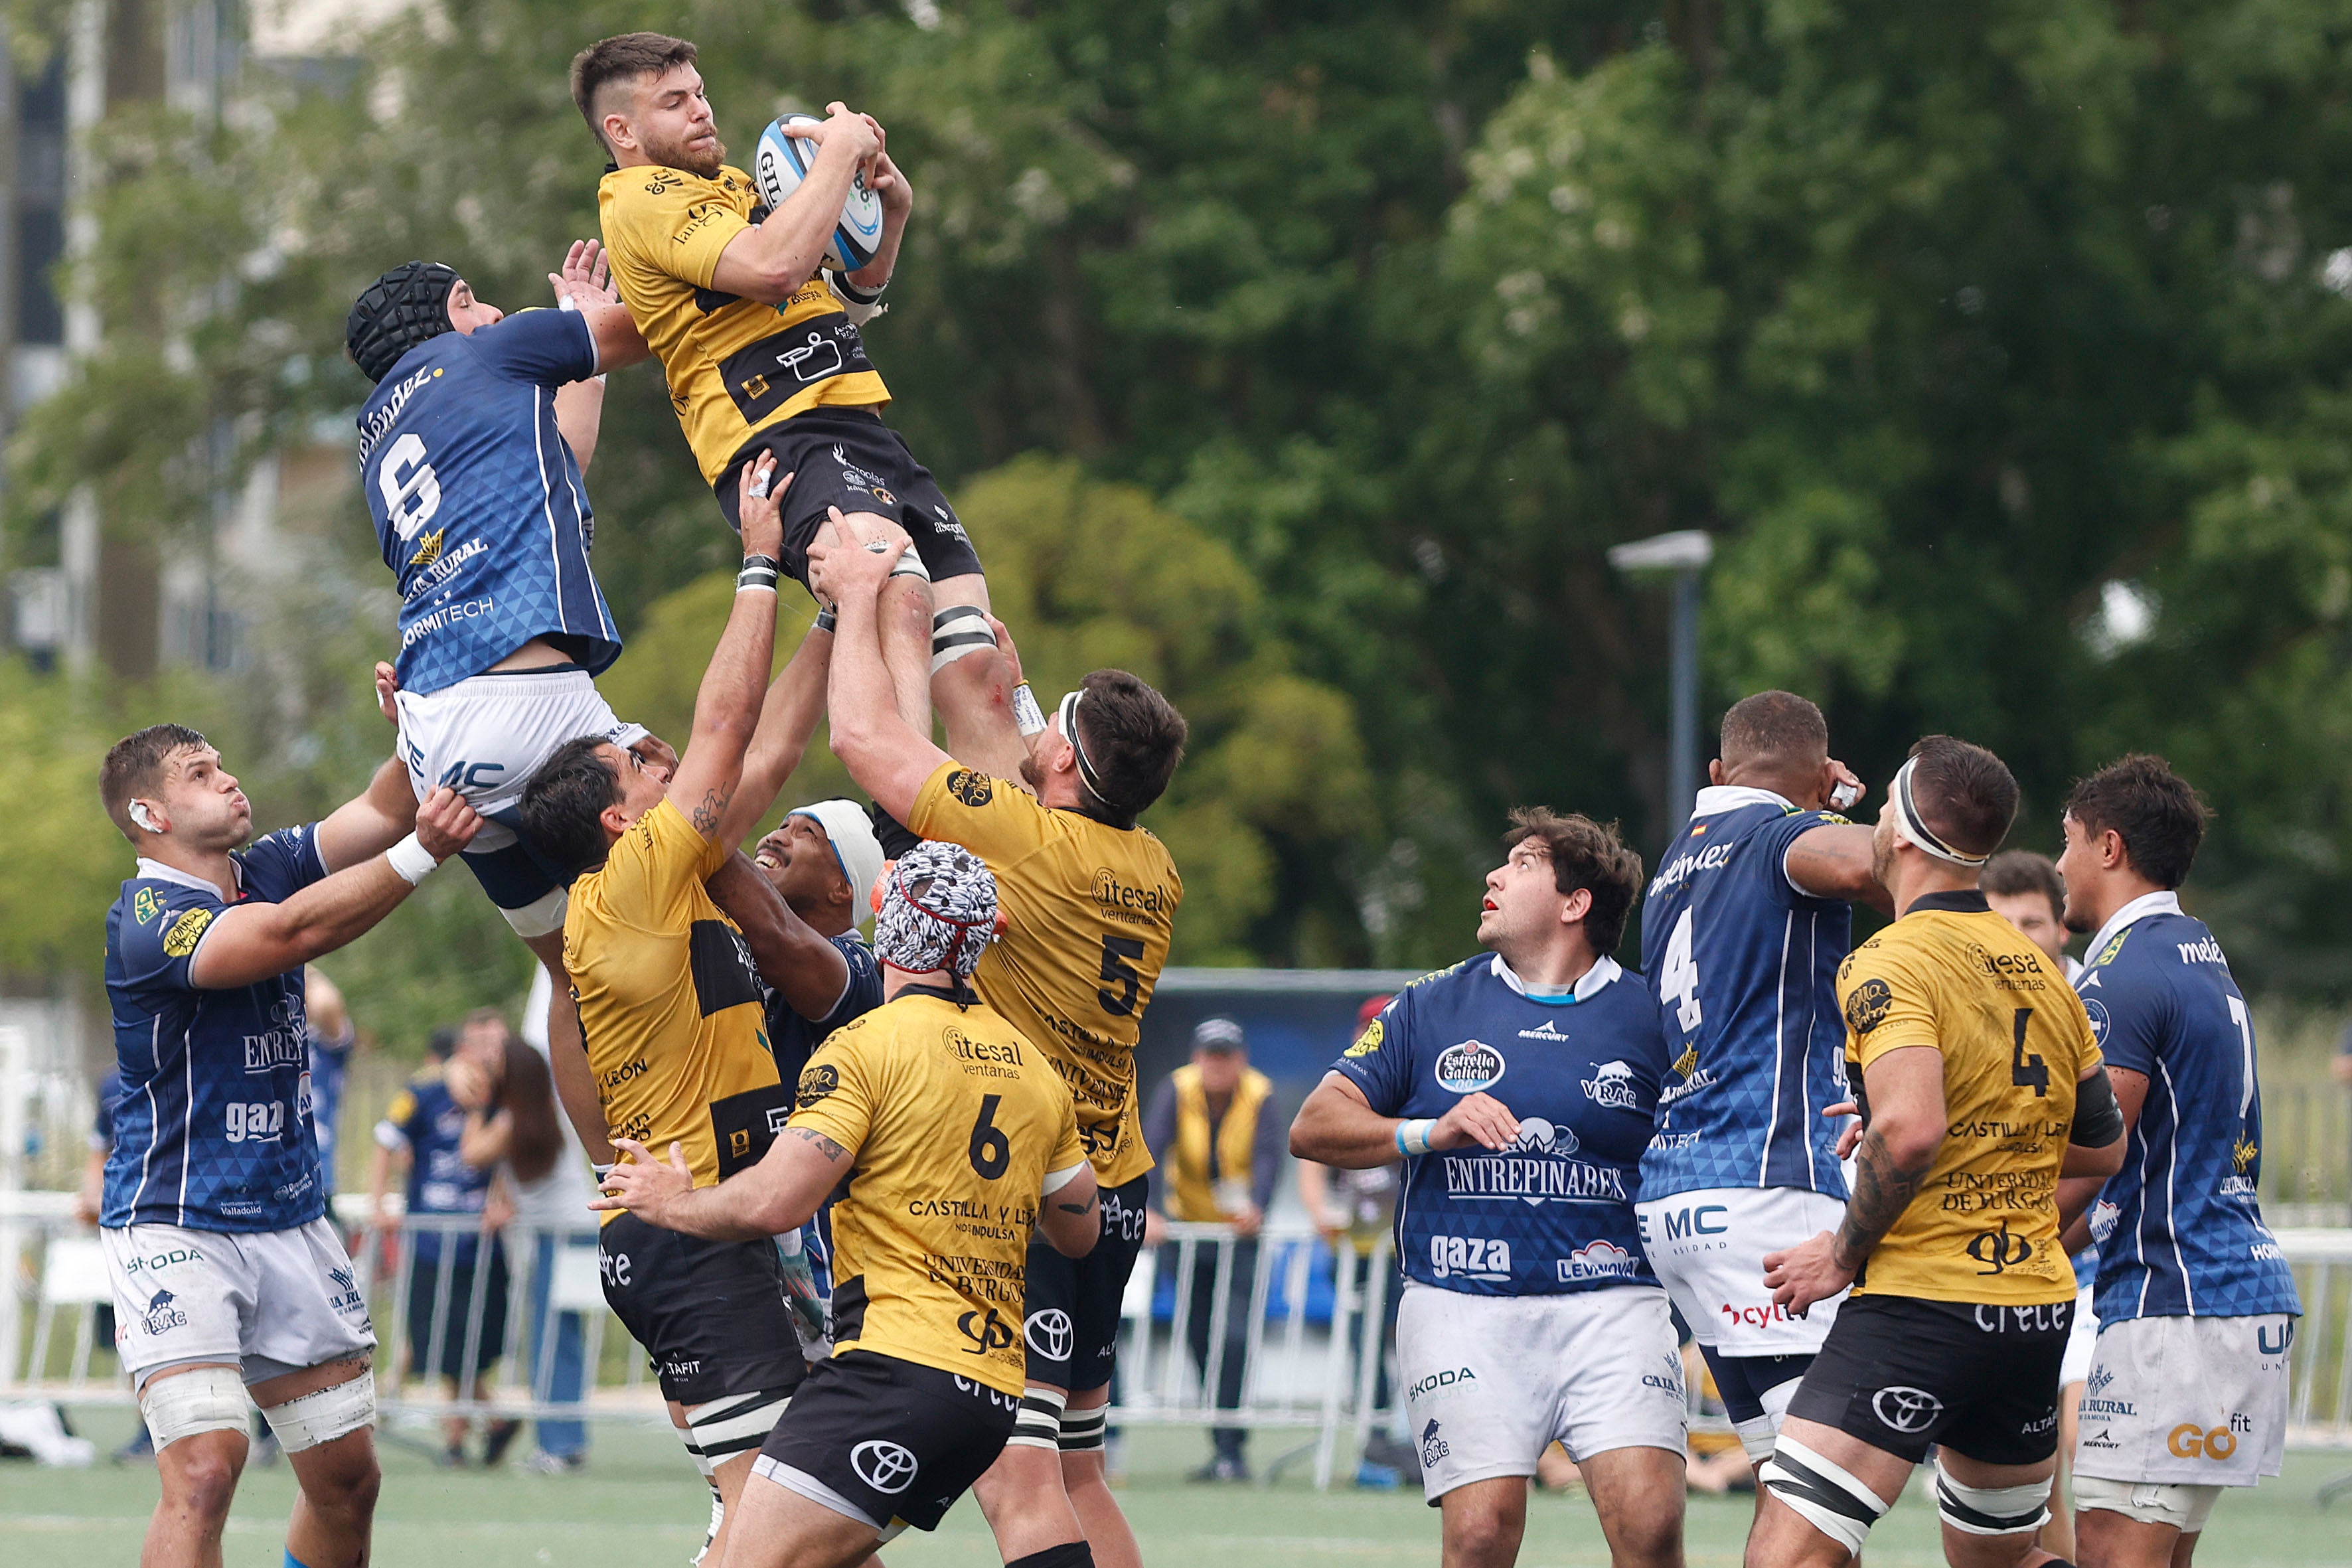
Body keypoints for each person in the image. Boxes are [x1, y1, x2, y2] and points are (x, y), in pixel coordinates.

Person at [810, 506, 1187, 1568]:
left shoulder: (1023, 836)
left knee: (1018, 1482)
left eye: (1048, 727)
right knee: (1075, 1470)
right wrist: (967, 637)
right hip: (1115, 1182)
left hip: (1027, 1176)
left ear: (1060, 760)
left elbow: (865, 742)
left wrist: (853, 602)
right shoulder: (1149, 862)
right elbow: (1010, 726)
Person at [593, 841, 1105, 1568]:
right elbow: (1079, 1229)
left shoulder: (863, 1047)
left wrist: (676, 1200)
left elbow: (776, 1201)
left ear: (885, 922)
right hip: (992, 1390)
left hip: (891, 1373)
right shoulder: (1031, 1066)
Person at [514, 453, 820, 1568]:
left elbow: (767, 747)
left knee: (790, 1523)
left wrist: (829, 614)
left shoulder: (655, 880)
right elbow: (728, 727)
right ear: (613, 821)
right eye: (636, 765)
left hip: (709, 1226)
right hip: (689, 1236)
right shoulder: (637, 879)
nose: (662, 764)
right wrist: (756, 566)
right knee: (777, 1527)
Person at [570, 32, 1024, 772]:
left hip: (862, 423)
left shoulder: (739, 188)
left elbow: (847, 297)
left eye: (701, 93)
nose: (701, 112)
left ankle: (1008, 864)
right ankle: (911, 837)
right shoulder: (638, 201)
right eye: (674, 102)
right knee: (892, 591)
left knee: (978, 659)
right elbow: (777, 267)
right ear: (620, 130)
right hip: (779, 436)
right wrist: (842, 149)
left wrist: (890, 210)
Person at [95, 722, 481, 1568]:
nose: (230, 779)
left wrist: (417, 720)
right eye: (202, 772)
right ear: (148, 811)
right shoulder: (149, 916)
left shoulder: (264, 865)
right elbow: (287, 937)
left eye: (224, 762)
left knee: (348, 1482)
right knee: (204, 1470)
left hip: (291, 1219)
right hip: (176, 1222)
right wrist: (422, 855)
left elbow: (385, 805)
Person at [1745, 736, 2127, 1568]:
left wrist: (1842, 1252)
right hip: (2032, 1311)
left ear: (1909, 835)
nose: (1875, 820)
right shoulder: (2041, 968)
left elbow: (1912, 1130)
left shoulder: (1888, 959)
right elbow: (2102, 1147)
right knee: (2006, 1559)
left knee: (1784, 1558)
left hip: (1925, 1304)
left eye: (1884, 805)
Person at [1290, 808, 1687, 1568]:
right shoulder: (1432, 1003)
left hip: (1613, 1301)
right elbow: (1313, 1124)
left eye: (1524, 864)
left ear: (1575, 904)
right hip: (1460, 1302)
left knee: (1651, 1527)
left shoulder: (1651, 1015)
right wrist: (1425, 1131)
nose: (1494, 876)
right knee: (1480, 1534)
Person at [345, 242, 660, 1160]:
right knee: (708, 846)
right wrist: (591, 314)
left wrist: (579, 338)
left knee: (567, 979)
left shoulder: (378, 435)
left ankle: (617, 1190)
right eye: (473, 300)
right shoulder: (489, 352)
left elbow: (557, 468)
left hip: (437, 732)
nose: (489, 312)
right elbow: (651, 329)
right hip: (527, 701)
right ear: (448, 315)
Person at [2051, 756, 2304, 1568]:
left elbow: (2092, 1148)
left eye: (2068, 842)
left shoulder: (2123, 974)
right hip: (2227, 1294)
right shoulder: (2198, 950)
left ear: (2110, 847)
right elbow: (2150, 1165)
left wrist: (1973, 1219)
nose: (2060, 864)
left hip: (2179, 1306)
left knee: (2113, 1552)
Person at [1634, 690, 1885, 1472]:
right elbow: (1888, 865)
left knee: (1792, 1485)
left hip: (1678, 1191)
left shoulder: (1675, 861)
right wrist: (1846, 814)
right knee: (1823, 1493)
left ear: (1718, 770)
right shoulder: (1784, 837)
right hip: (1767, 1187)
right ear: (1817, 784)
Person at [1983, 848, 2095, 1560]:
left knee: (2089, 1442)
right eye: (2003, 923)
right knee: (2036, 1476)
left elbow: (2109, 1150)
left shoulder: (2097, 1003)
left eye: (2033, 920)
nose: (2020, 936)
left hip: (2094, 1259)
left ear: (2062, 930)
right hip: (2002, 1260)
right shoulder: (1969, 1006)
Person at [368, 1023, 523, 1467]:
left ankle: (466, 1434)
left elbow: (512, 1160)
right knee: (437, 1342)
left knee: (464, 1345)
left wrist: (503, 1202)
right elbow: (387, 1140)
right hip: (432, 1240)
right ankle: (480, 1428)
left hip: (479, 1245)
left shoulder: (504, 1098)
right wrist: (380, 1206)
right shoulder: (423, 1091)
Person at [1141, 1016, 1285, 1483]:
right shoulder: (1176, 1089)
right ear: (1196, 1057)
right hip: (1185, 1231)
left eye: (1226, 1056)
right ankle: (1221, 1441)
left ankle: (1232, 1446)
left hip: (1237, 1236)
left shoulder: (1260, 1093)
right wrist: (1152, 1209)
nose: (1218, 1065)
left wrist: (1258, 1207)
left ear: (1240, 1059)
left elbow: (1268, 1157)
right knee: (1197, 1334)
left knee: (1236, 1336)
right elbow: (1151, 1149)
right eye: (1210, 1055)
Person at [1296, 992, 1414, 1488]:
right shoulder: (1343, 1087)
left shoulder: (1416, 1084)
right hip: (1355, 1248)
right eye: (1367, 1027)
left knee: (1409, 1340)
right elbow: (1309, 1154)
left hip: (1405, 1248)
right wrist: (1320, 1211)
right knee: (1361, 1349)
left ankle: (1409, 1439)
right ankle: (1375, 1442)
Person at [512, 965, 609, 1474]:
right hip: (563, 1224)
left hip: (567, 1225)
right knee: (554, 1334)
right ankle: (559, 1438)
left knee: (555, 1335)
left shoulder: (529, 1114)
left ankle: (561, 1440)